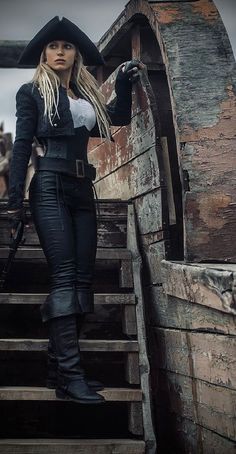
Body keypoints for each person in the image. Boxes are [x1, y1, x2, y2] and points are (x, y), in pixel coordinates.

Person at [6, 16, 144, 404]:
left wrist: (120, 83)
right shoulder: (32, 92)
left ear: (76, 54)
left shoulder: (86, 97)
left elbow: (114, 121)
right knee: (65, 275)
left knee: (84, 279)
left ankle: (58, 369)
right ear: (44, 55)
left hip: (83, 190)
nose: (60, 52)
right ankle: (71, 373)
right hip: (49, 186)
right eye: (53, 47)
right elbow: (21, 146)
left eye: (66, 47)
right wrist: (15, 197)